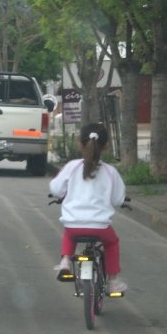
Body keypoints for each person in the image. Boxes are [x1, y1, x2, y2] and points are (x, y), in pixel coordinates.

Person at [49, 123, 128, 293]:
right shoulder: (110, 172)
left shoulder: (72, 167)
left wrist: (62, 195)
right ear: (106, 145)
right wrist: (121, 202)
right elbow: (117, 199)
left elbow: (56, 189)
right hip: (100, 227)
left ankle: (65, 262)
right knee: (112, 243)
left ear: (80, 143)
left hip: (74, 225)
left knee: (69, 234)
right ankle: (113, 281)